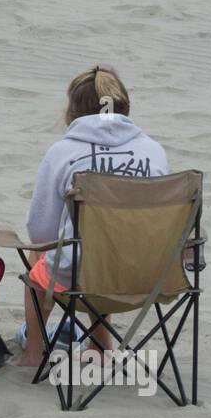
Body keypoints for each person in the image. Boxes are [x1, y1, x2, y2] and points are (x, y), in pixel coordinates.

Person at [16, 66, 169, 368]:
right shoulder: (153, 151)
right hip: (148, 276)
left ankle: (33, 353)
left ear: (72, 112)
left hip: (83, 277)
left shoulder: (63, 152)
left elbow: (41, 231)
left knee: (42, 252)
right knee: (108, 246)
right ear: (124, 108)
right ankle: (100, 346)